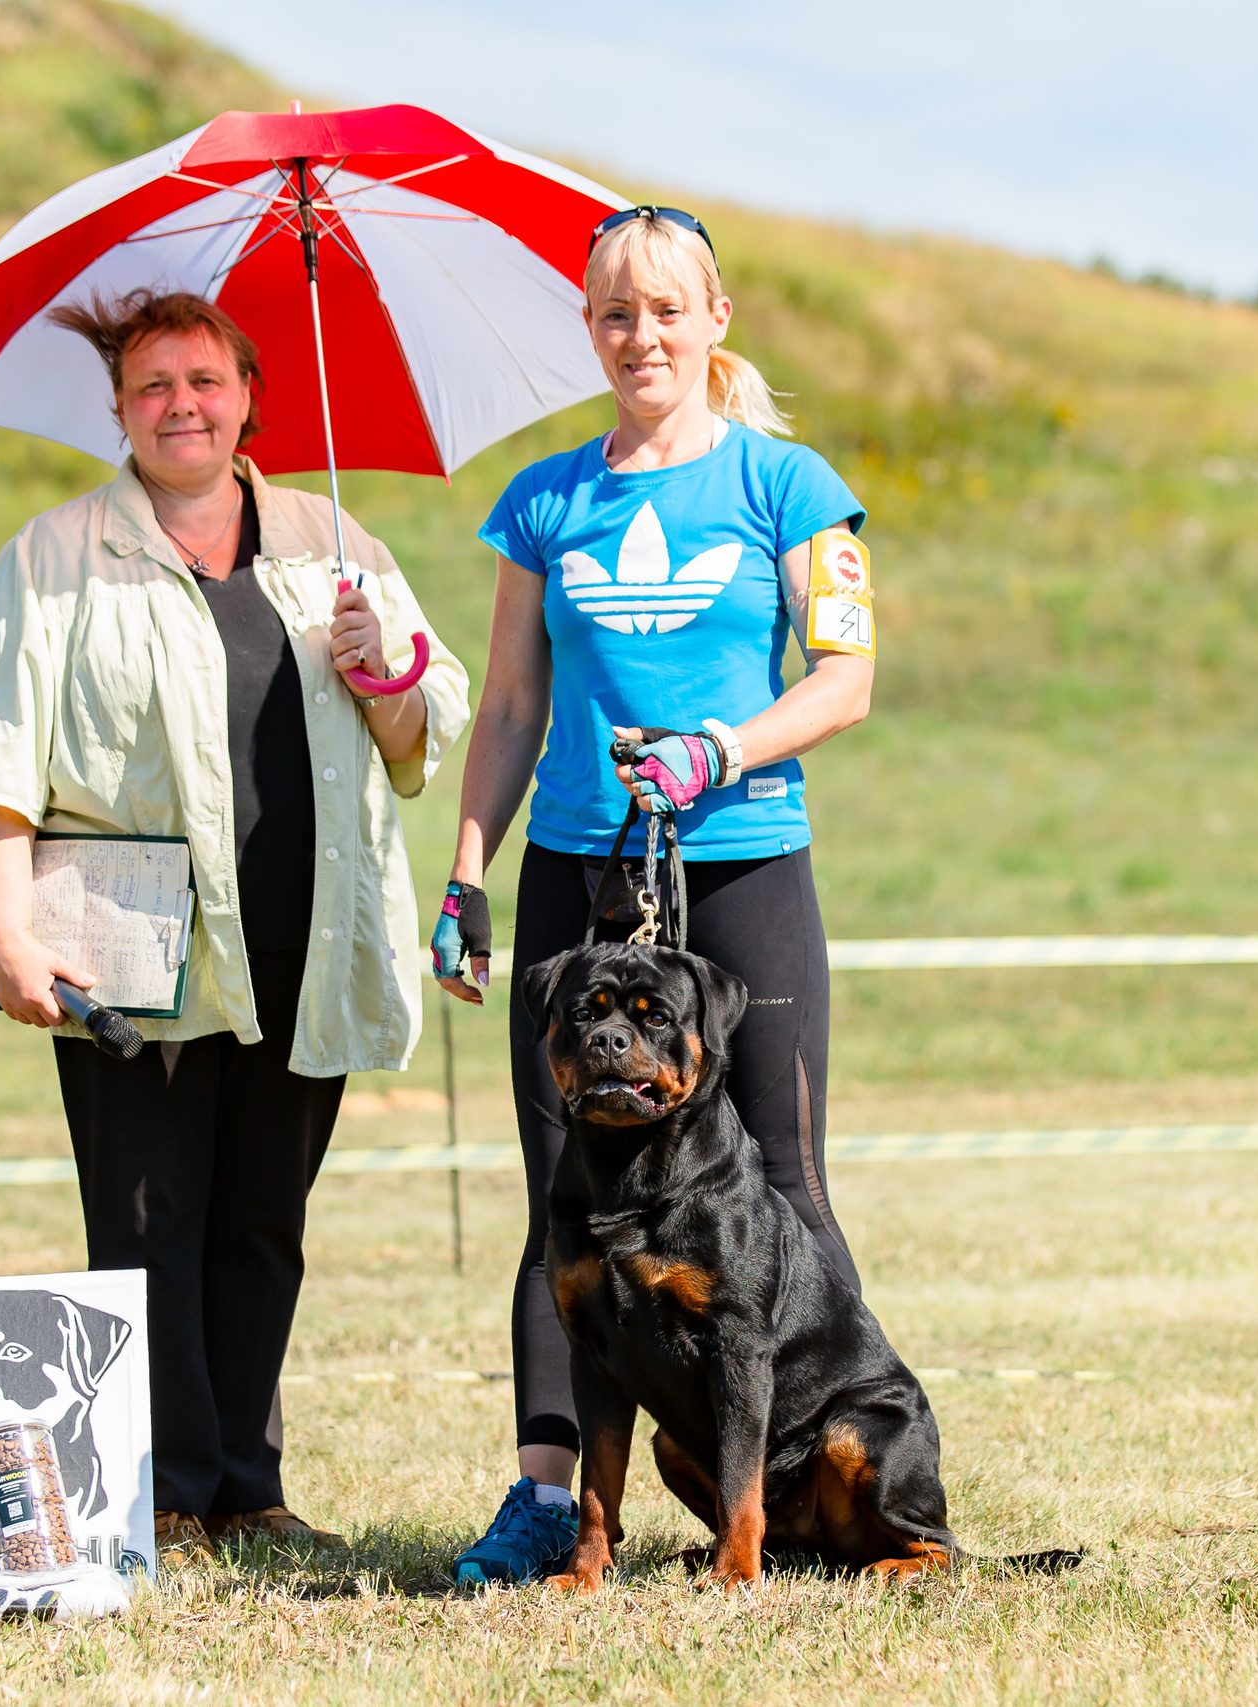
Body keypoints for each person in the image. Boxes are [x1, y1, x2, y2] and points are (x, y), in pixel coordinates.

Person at [0, 289, 470, 1561]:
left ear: (246, 397)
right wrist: (7, 928)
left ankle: (250, 1484)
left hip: (305, 943)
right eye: (151, 387)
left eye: (203, 380)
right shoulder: (52, 554)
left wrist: (383, 667)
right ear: (121, 413)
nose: (180, 405)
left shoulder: (331, 537)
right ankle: (164, 1493)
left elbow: (420, 728)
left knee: (261, 1219)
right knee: (143, 1220)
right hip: (130, 950)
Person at [429, 209, 877, 1587]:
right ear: (590, 330)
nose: (643, 336)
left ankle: (830, 1467)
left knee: (785, 1183)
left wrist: (723, 746)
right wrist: (462, 871)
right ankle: (547, 1500)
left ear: (716, 320)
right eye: (618, 313)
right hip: (578, 864)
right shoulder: (546, 500)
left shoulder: (790, 485)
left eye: (669, 310)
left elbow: (846, 676)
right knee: (566, 1196)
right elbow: (510, 703)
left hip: (742, 856)